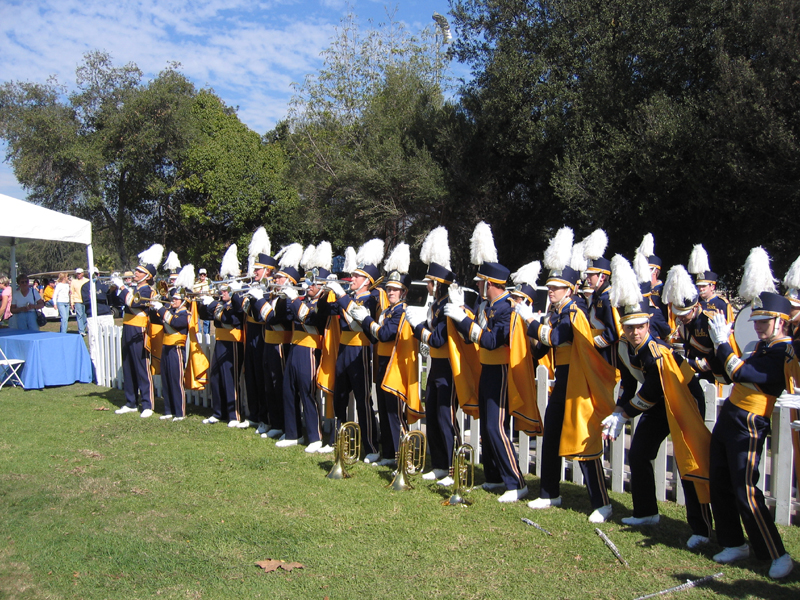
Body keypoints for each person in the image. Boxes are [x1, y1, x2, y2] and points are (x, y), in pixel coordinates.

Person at [601, 256, 712, 550]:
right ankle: (647, 512)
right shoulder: (624, 347)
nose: (634, 332)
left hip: (684, 400)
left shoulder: (655, 349)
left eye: (639, 326)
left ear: (648, 323)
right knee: (639, 452)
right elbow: (629, 383)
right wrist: (617, 410)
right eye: (628, 326)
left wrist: (624, 414)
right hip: (659, 401)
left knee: (688, 462)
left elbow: (651, 388)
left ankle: (702, 527)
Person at [706, 246, 794, 580]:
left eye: (764, 321)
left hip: (750, 422)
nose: (757, 327)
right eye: (755, 321)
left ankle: (776, 553)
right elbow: (730, 372)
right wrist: (721, 348)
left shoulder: (782, 351)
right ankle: (733, 542)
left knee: (746, 489)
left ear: (780, 321)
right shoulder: (760, 346)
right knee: (721, 482)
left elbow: (744, 374)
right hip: (731, 414)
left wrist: (723, 344)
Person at [517, 227, 615, 521]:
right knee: (552, 435)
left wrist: (532, 325)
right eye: (550, 287)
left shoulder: (575, 311)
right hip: (564, 380)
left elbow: (557, 338)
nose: (551, 291)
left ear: (569, 290)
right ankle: (549, 493)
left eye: (556, 288)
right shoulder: (559, 311)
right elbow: (543, 349)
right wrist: (532, 330)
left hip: (580, 382)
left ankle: (602, 502)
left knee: (584, 437)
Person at [444, 221, 529, 503]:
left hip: (501, 369)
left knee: (496, 426)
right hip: (487, 368)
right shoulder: (488, 305)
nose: (478, 285)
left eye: (481, 282)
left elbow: (492, 340)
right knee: (488, 426)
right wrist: (461, 312)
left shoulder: (506, 307)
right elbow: (474, 336)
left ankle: (516, 482)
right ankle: (494, 477)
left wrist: (464, 318)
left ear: (491, 284)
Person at [407, 228, 462, 484]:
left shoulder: (448, 303)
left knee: (446, 417)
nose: (427, 286)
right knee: (434, 416)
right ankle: (440, 464)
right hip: (435, 365)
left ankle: (454, 467)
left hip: (448, 366)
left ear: (438, 283)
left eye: (430, 282)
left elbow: (438, 339)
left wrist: (418, 328)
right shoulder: (437, 304)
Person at [352, 243, 413, 467]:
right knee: (386, 410)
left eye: (395, 289)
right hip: (383, 362)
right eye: (389, 289)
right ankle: (388, 453)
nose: (390, 292)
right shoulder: (388, 311)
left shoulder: (402, 312)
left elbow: (385, 334)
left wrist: (367, 321)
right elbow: (377, 336)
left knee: (395, 414)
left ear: (404, 292)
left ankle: (402, 456)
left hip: (395, 365)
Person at [324, 239, 384, 463]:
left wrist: (340, 295)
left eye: (357, 277)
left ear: (367, 282)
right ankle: (337, 440)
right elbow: (326, 312)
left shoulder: (370, 299)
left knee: (362, 399)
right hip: (344, 349)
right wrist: (326, 291)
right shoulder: (349, 297)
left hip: (360, 351)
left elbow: (355, 322)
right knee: (339, 397)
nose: (352, 279)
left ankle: (370, 445)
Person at [277, 256, 332, 452]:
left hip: (310, 349)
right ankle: (293, 433)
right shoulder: (303, 300)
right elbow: (284, 316)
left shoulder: (323, 303)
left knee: (307, 392)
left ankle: (315, 436)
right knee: (288, 389)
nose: (309, 285)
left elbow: (310, 319)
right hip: (295, 346)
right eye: (309, 281)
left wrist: (293, 299)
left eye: (314, 283)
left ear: (323, 286)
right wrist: (284, 297)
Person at [114, 255, 160, 418]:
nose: (135, 273)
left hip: (139, 329)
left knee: (141, 366)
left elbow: (133, 303)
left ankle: (147, 403)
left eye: (139, 271)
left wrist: (122, 288)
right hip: (128, 326)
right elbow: (120, 301)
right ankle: (131, 402)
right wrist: (117, 288)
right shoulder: (135, 288)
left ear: (147, 276)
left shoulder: (147, 290)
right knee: (128, 365)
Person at [198, 284, 246, 427]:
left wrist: (213, 304)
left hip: (233, 342)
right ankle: (218, 412)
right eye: (222, 290)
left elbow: (229, 319)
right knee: (216, 377)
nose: (222, 292)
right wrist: (201, 303)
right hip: (220, 340)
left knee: (230, 379)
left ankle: (234, 414)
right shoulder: (221, 304)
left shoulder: (236, 305)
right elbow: (204, 315)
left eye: (226, 290)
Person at [150, 288, 190, 421]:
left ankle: (179, 412)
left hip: (176, 349)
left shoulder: (185, 314)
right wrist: (153, 308)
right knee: (166, 379)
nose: (172, 300)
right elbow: (155, 321)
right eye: (172, 298)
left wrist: (161, 309)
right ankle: (168, 410)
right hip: (166, 347)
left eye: (176, 299)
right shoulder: (170, 311)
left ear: (183, 301)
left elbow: (175, 322)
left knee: (176, 380)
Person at [70, 267, 88, 336]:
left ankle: (83, 328)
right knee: (79, 315)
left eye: (80, 273)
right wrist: (72, 302)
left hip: (85, 300)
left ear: (83, 273)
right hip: (77, 300)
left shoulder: (87, 280)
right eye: (77, 274)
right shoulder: (74, 282)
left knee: (85, 315)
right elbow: (72, 292)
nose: (78, 275)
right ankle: (81, 330)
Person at [194, 268, 211, 336]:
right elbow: (194, 291)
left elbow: (212, 291)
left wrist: (207, 293)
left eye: (204, 274)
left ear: (206, 275)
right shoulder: (196, 283)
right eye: (201, 274)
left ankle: (206, 334)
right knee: (198, 319)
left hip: (206, 301)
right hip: (199, 301)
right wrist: (198, 292)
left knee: (206, 320)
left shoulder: (209, 282)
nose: (202, 276)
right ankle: (199, 334)